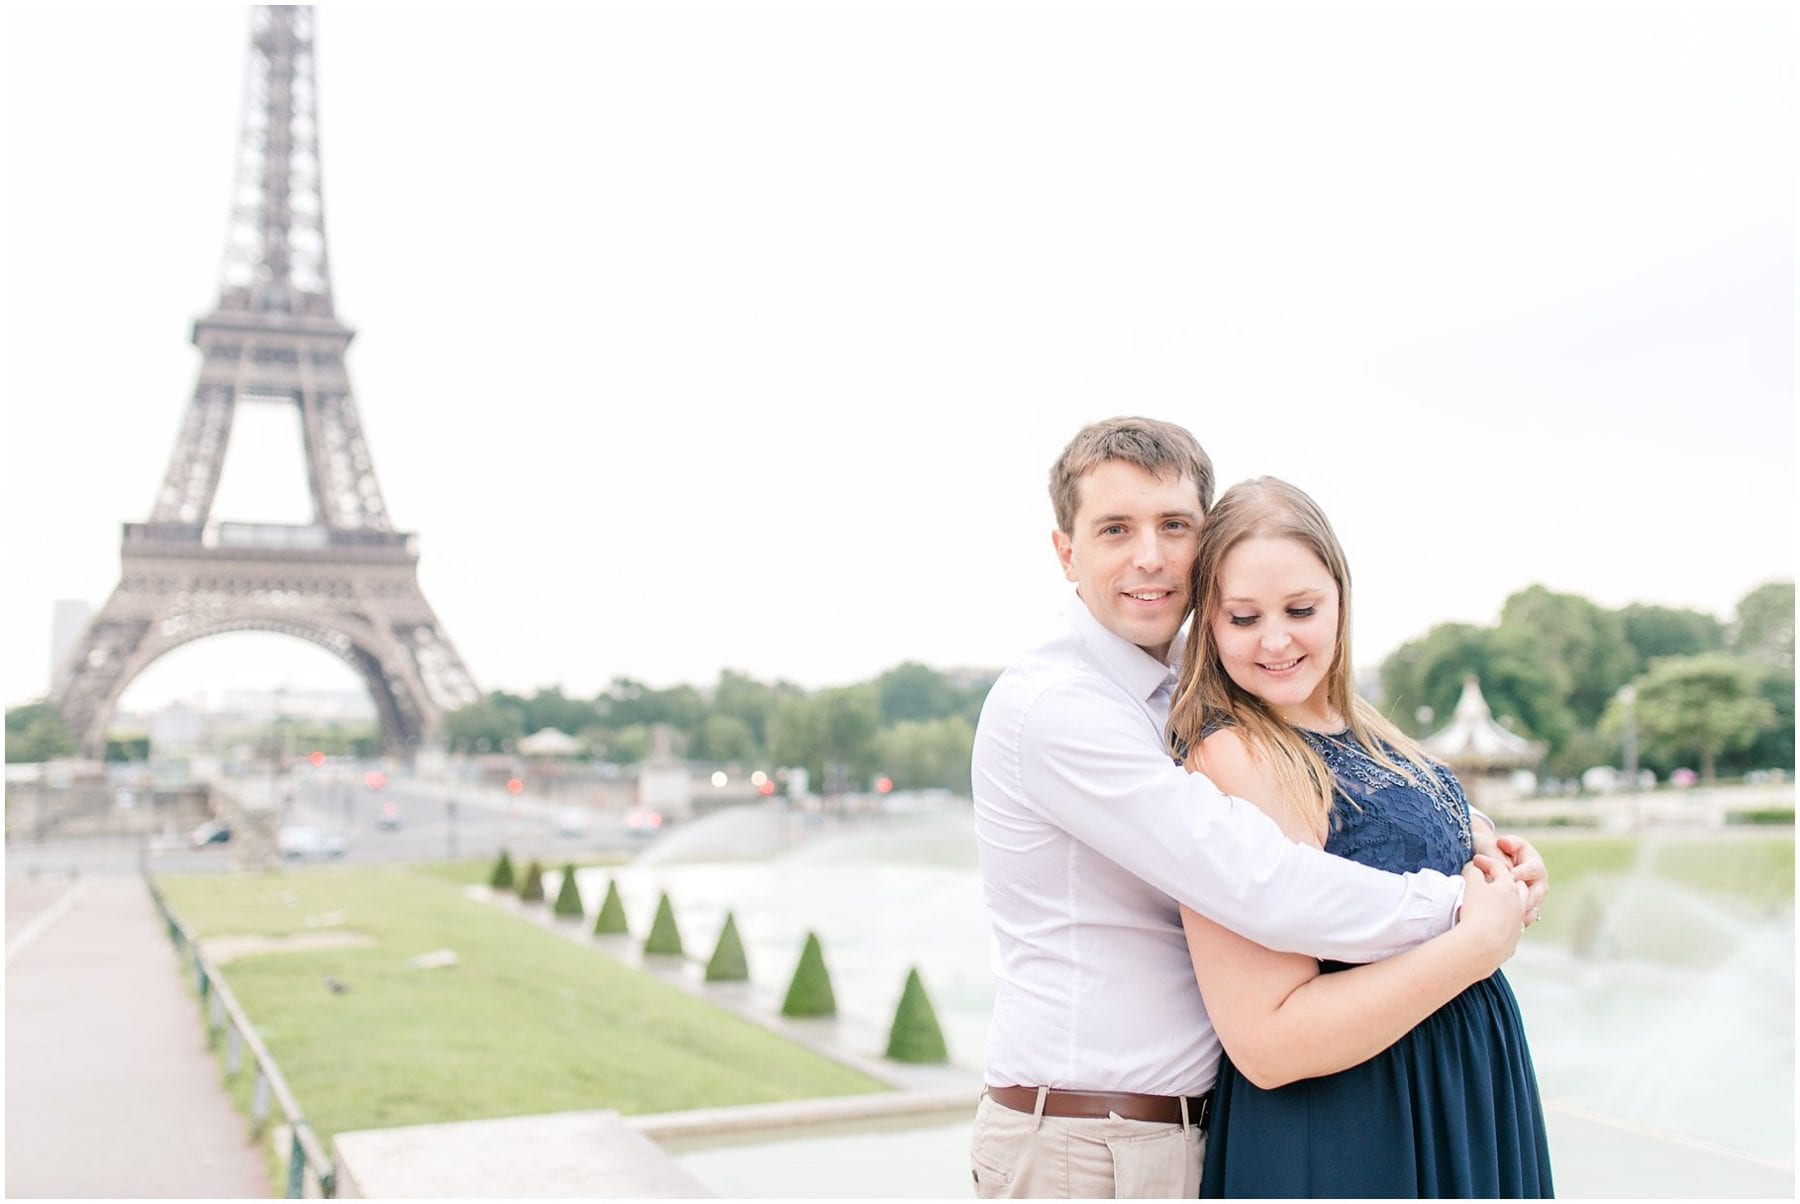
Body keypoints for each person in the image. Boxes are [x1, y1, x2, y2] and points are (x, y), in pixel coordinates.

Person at [969, 417, 1547, 1199]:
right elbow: (1265, 884)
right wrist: (1470, 918)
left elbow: (1358, 798)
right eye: (1114, 529)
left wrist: (1487, 850)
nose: (1149, 555)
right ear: (1066, 551)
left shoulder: (1202, 678)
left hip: (1184, 1124)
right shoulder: (1060, 708)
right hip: (1093, 1141)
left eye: (1173, 525)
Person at [1168, 476, 1554, 1197]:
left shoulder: (1371, 732)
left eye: (1302, 609)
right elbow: (1268, 1043)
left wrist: (1503, 860)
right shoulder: (1234, 757)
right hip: (1359, 1123)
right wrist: (1475, 947)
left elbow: (1414, 846)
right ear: (1208, 626)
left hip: (1457, 1096)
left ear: (1341, 600)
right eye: (1243, 618)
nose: (1276, 639)